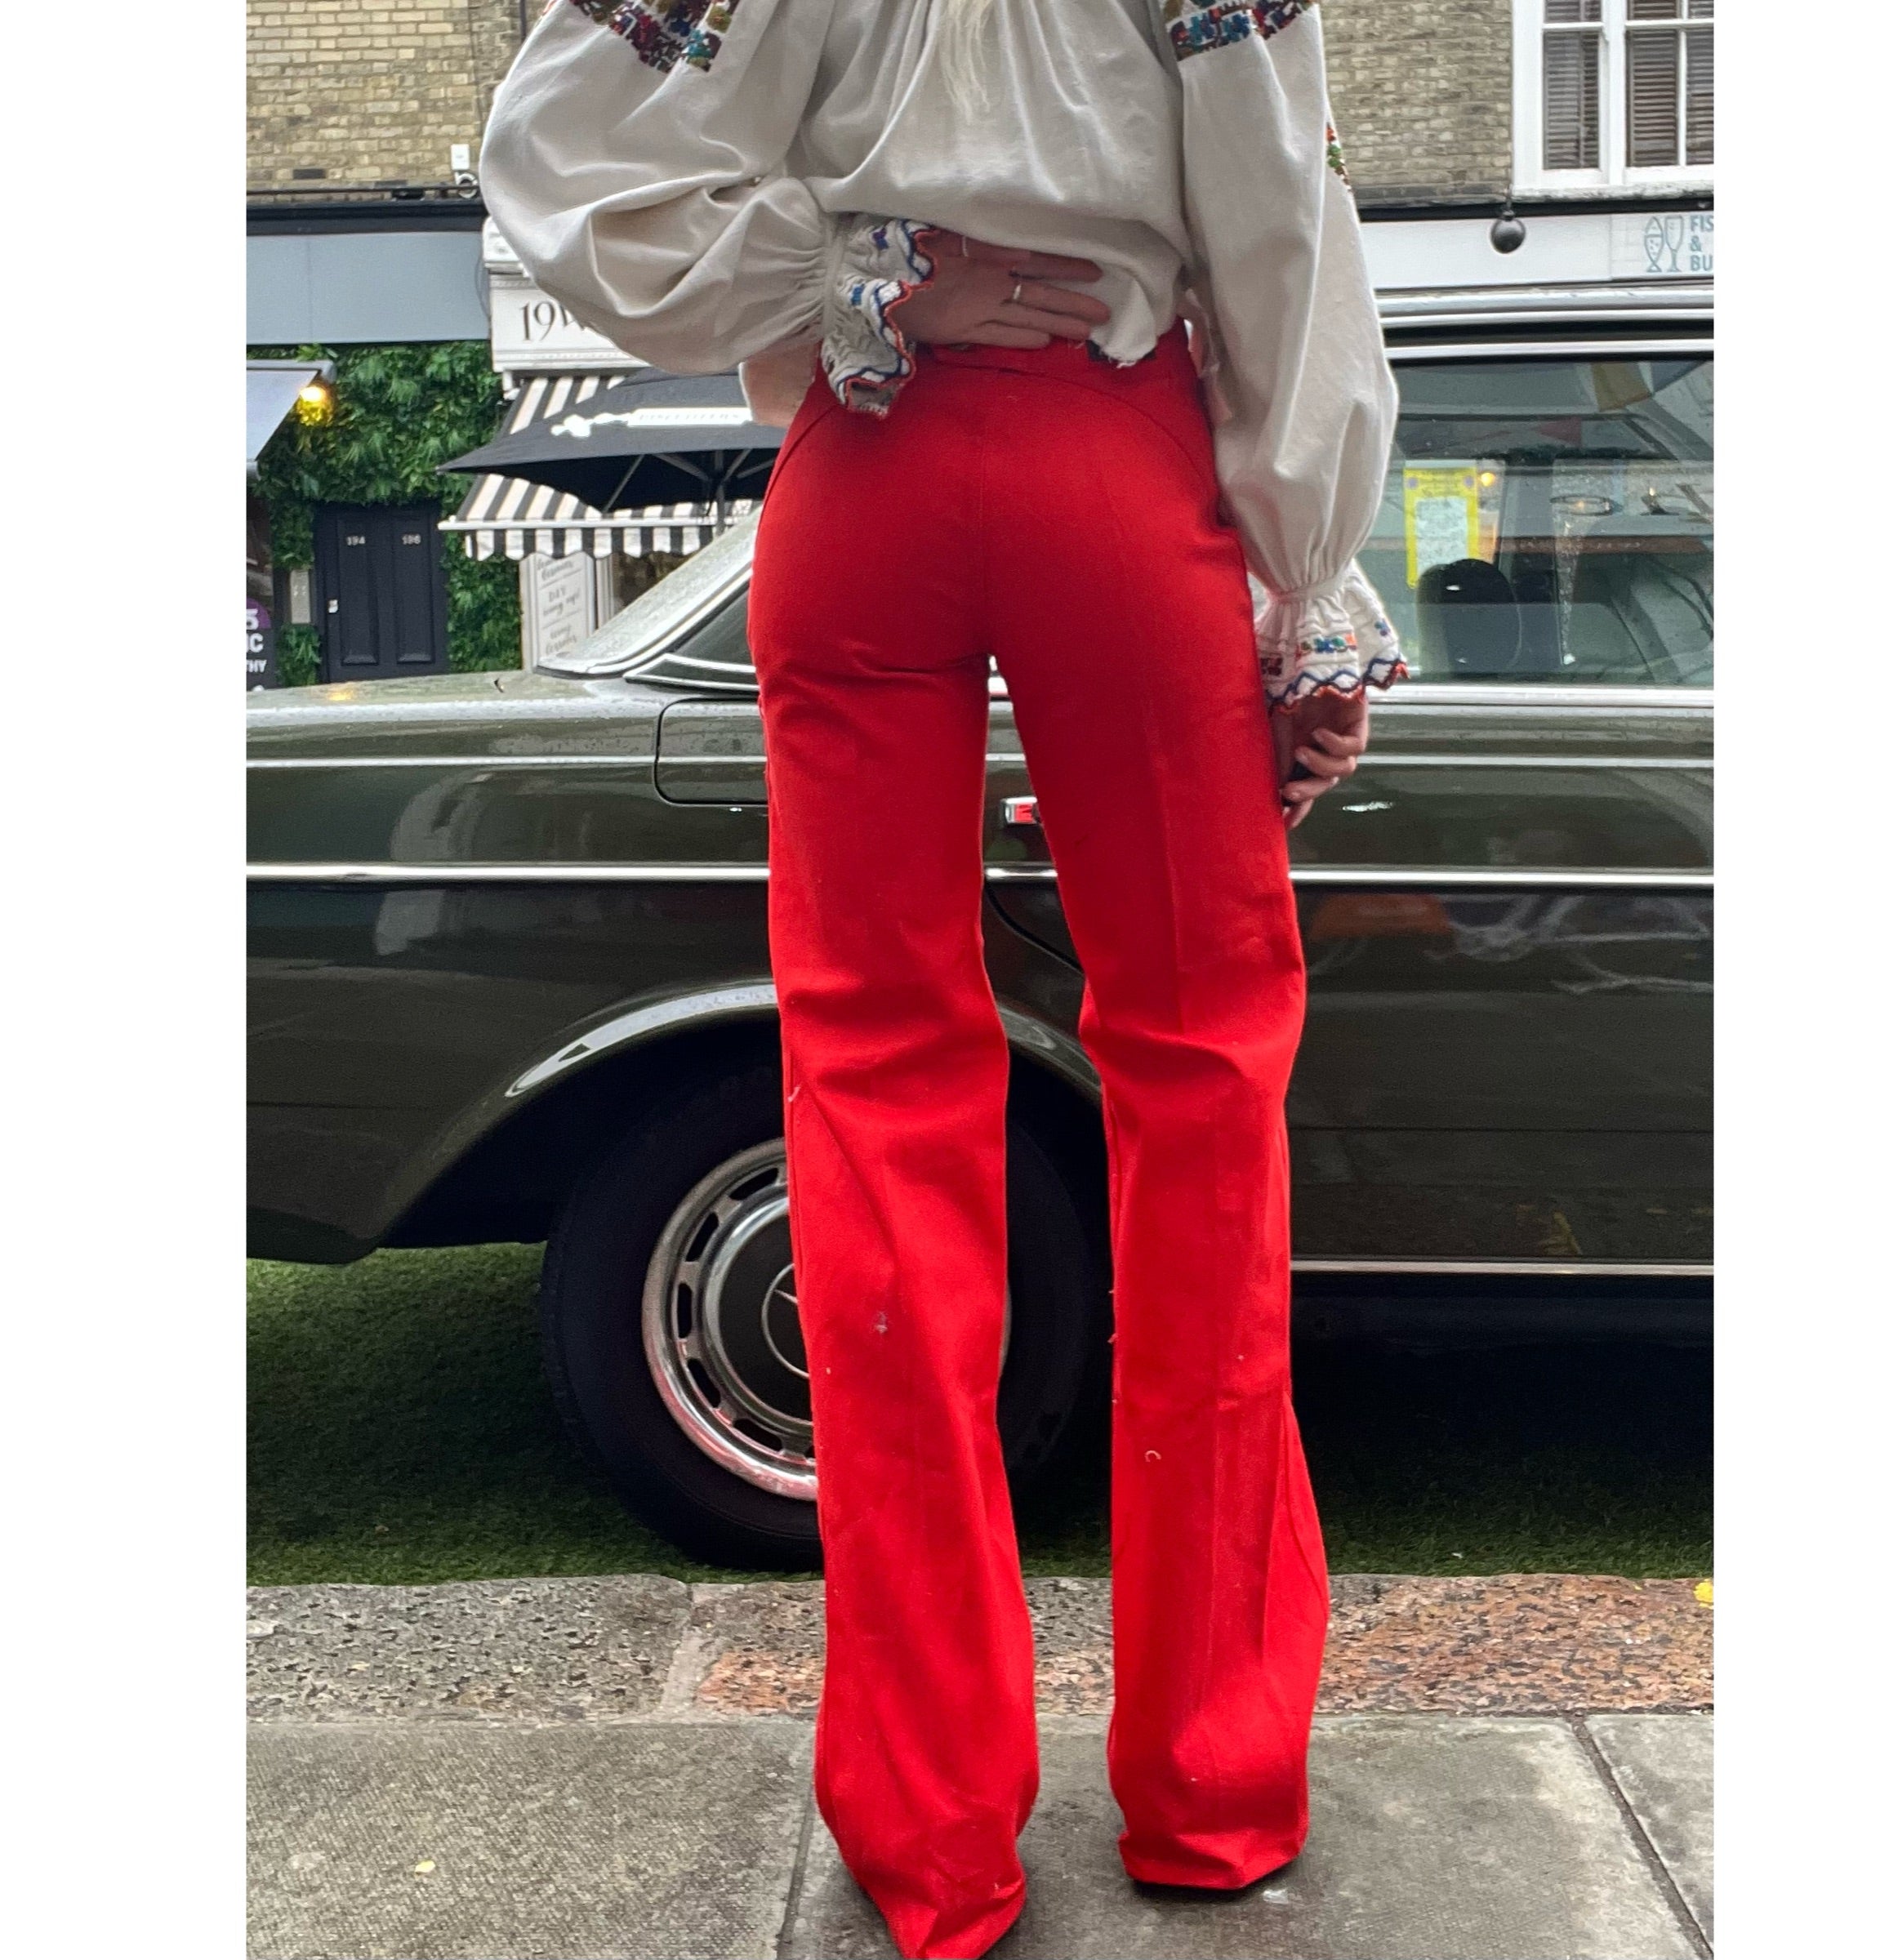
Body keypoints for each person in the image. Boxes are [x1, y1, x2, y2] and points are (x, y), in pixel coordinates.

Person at [481, 3, 1404, 1953]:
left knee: (871, 1098)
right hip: (1116, 473)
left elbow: (559, 149)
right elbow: (1280, 231)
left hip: (870, 470)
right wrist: (1308, 597)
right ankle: (1213, 1782)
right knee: (1202, 1087)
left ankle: (931, 1826)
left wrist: (855, 268)